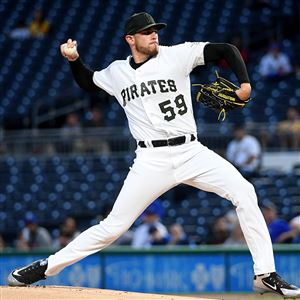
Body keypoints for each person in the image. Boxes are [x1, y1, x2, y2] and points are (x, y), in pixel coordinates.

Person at [8, 12, 300, 298]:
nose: (154, 34)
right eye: (147, 32)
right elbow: (89, 81)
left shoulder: (177, 55)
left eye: (155, 30)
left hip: (190, 151)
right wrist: (74, 60)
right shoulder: (117, 72)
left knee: (245, 192)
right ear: (130, 39)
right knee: (112, 228)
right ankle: (46, 267)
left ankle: (265, 274)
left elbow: (226, 49)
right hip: (150, 160)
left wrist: (245, 85)